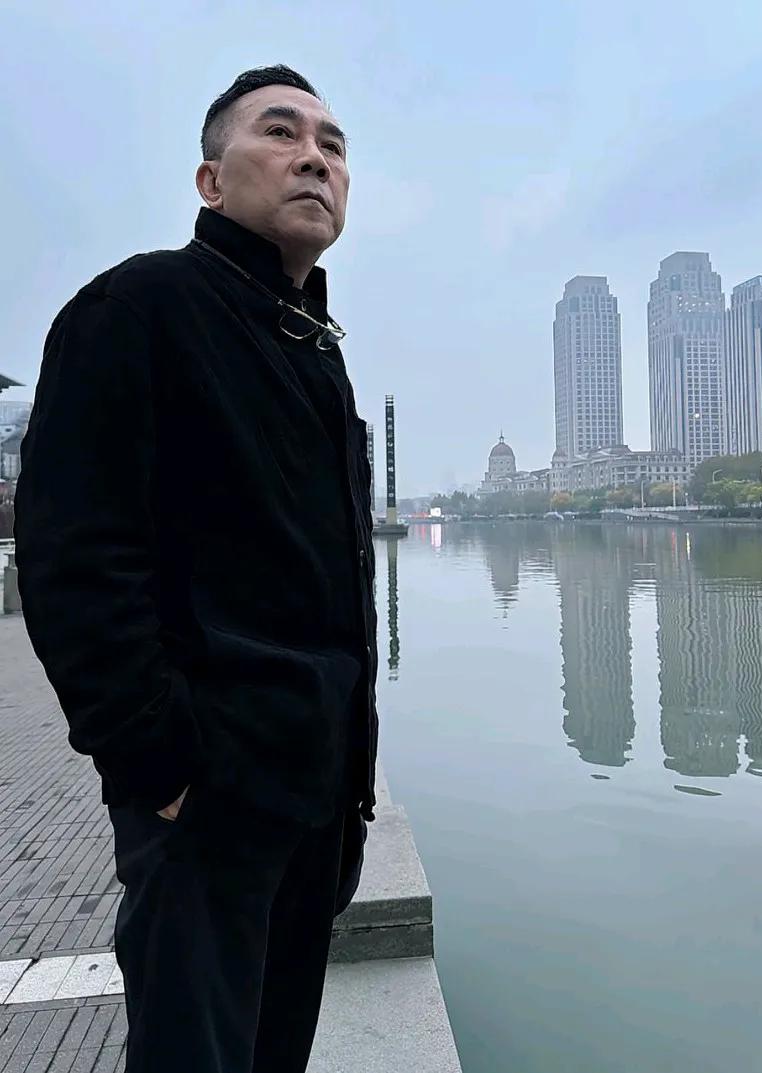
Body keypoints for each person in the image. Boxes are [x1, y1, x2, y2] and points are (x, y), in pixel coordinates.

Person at [13, 65, 378, 1073]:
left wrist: (349, 782)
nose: (315, 158)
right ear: (211, 182)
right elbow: (72, 555)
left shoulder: (311, 347)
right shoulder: (139, 308)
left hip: (314, 804)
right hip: (207, 801)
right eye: (281, 133)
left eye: (333, 145)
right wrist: (158, 767)